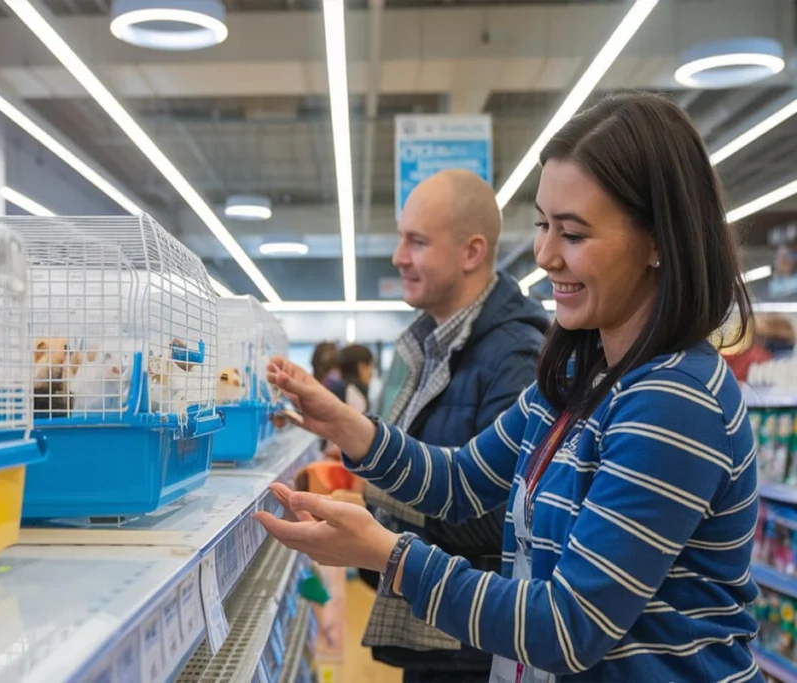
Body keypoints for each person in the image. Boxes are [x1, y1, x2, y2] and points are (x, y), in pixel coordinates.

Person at [256, 92, 762, 682]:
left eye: (572, 234)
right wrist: (345, 423)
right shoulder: (577, 378)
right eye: (544, 225)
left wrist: (387, 555)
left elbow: (567, 628)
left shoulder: (674, 400)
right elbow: (461, 482)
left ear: (657, 241)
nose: (545, 255)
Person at [360, 169, 549, 683]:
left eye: (416, 241)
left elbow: (500, 510)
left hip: (471, 645)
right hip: (436, 630)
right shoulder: (430, 345)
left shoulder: (515, 355)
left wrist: (374, 509)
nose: (399, 256)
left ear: (471, 253)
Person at [337, 343, 375, 413]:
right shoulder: (355, 394)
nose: (371, 374)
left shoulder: (339, 390)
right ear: (361, 367)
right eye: (370, 367)